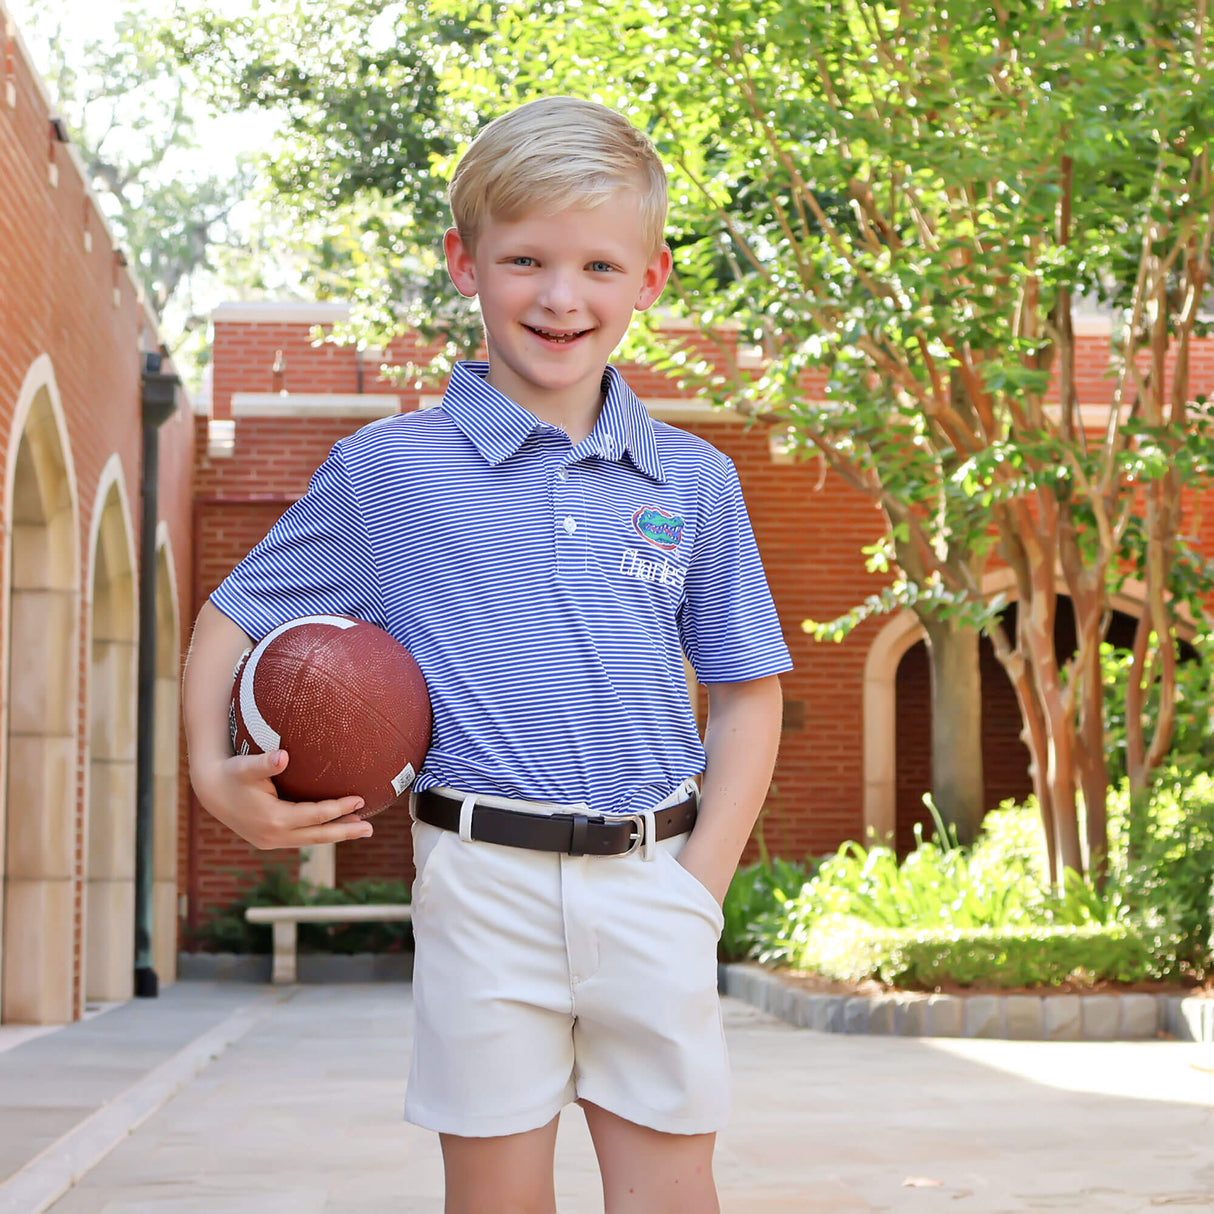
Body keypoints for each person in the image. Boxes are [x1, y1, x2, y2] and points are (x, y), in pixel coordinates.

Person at [183, 95, 791, 1214]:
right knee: (495, 1195)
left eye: (598, 265)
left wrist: (697, 888)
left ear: (649, 279)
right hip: (478, 882)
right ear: (464, 263)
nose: (561, 297)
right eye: (524, 259)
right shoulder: (388, 470)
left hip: (652, 873)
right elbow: (230, 614)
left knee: (669, 1190)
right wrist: (210, 775)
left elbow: (748, 690)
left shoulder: (693, 479)